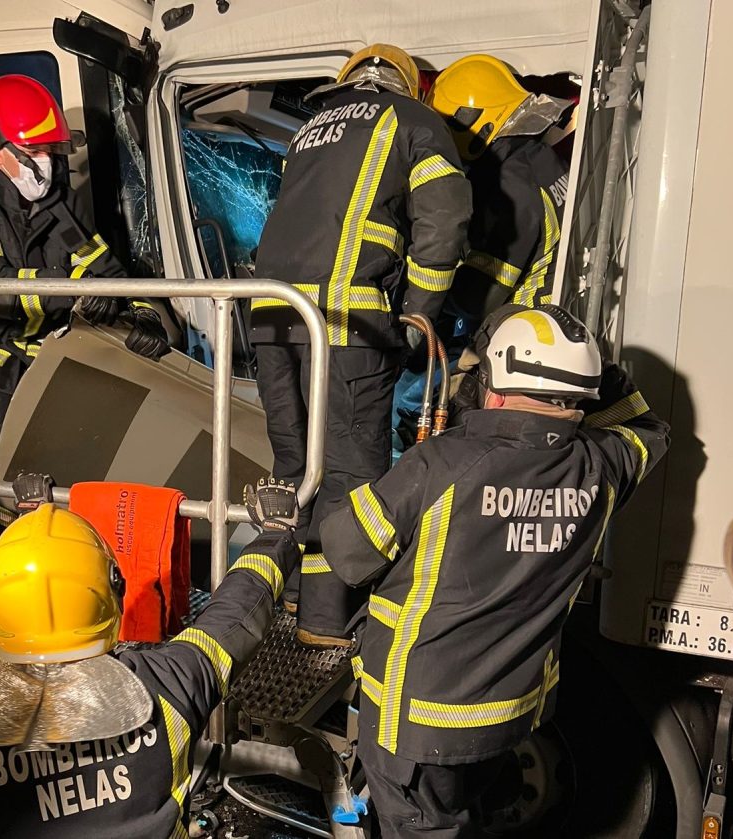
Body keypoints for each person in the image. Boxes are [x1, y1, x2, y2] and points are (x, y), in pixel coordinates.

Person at [319, 304, 670, 837]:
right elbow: (647, 426)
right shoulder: (601, 471)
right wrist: (592, 368)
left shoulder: (441, 465)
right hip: (506, 719)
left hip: (413, 726)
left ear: (495, 387)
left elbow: (346, 554)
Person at [0, 479, 301, 838]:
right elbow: (234, 617)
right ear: (112, 589)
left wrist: (31, 529)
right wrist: (275, 533)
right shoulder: (167, 688)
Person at [251, 45, 472, 647]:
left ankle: (285, 595)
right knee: (351, 473)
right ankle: (326, 620)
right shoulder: (414, 120)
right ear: (408, 84)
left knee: (294, 468)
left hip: (271, 316)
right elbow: (446, 220)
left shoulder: (310, 129)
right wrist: (415, 321)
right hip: (344, 320)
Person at [0, 74, 170, 565]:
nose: (47, 162)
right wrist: (76, 298)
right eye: (35, 151)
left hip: (35, 342)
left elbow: (95, 260)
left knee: (53, 446)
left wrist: (143, 309)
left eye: (50, 151)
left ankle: (48, 556)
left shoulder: (49, 193)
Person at [393, 56, 573, 453]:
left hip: (517, 340)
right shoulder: (539, 160)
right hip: (547, 334)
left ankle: (398, 486)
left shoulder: (504, 179)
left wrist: (424, 293)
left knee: (401, 393)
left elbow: (479, 296)